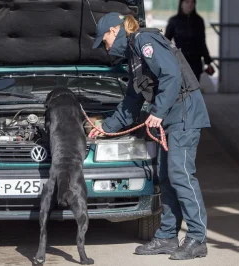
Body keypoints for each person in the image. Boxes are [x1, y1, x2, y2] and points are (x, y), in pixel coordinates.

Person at [90, 12, 210, 260]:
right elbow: (132, 101)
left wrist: (158, 112)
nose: (106, 47)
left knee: (181, 175)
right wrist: (106, 128)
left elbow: (171, 75)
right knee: (165, 177)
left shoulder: (145, 41)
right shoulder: (134, 54)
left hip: (184, 114)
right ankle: (167, 236)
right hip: (170, 118)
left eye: (104, 41)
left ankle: (197, 238)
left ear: (114, 31)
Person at [165, 0, 215, 82]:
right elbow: (166, 41)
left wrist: (208, 62)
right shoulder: (174, 21)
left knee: (194, 89)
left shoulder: (199, 21)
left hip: (196, 62)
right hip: (179, 61)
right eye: (187, 2)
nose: (190, 5)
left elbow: (202, 43)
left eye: (192, 2)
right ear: (181, 4)